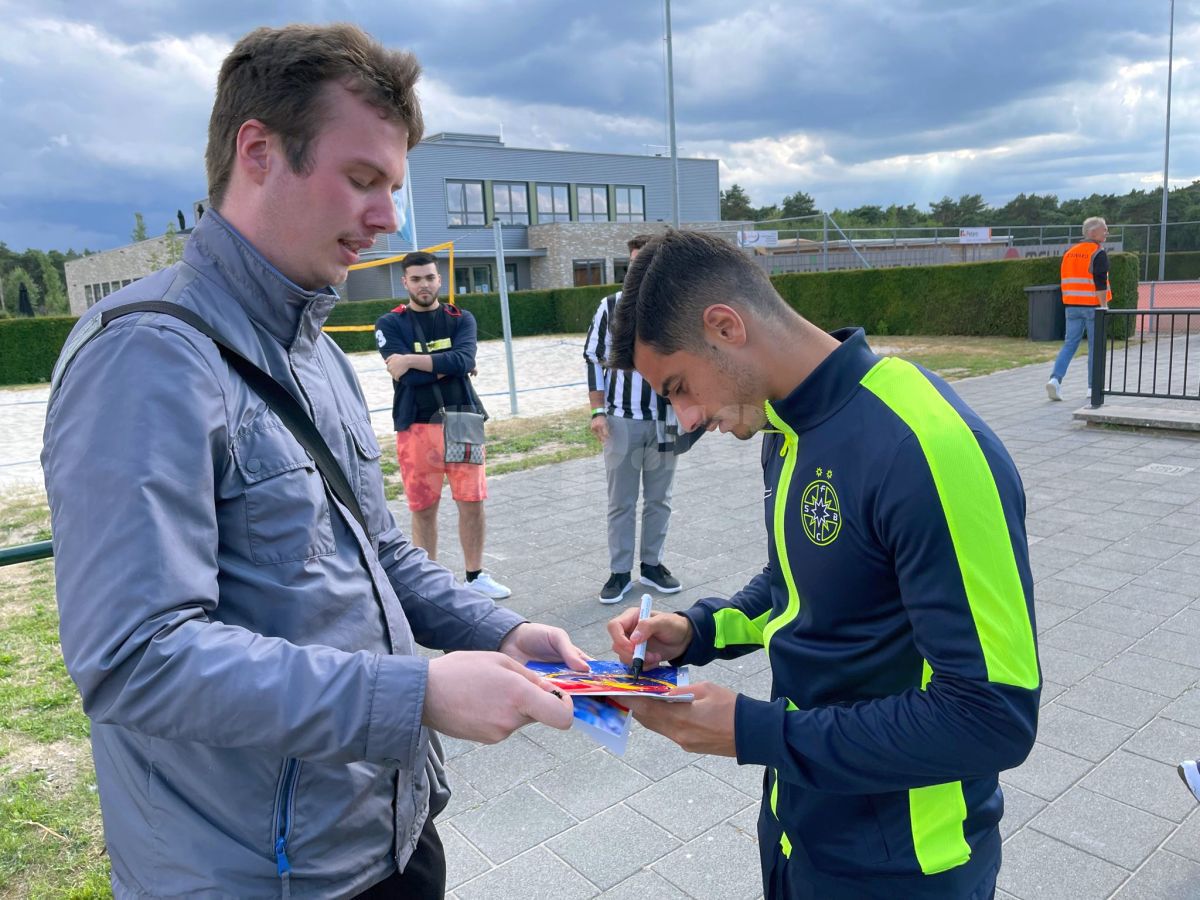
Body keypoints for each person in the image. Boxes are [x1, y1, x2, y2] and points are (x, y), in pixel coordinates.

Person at [41, 24, 584, 899]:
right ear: (257, 151)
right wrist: (416, 695)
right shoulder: (144, 358)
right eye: (363, 179)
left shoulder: (318, 353)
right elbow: (134, 657)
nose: (389, 218)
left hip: (387, 835)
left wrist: (501, 632)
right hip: (261, 873)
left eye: (393, 186)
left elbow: (379, 554)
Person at [605, 230, 1040, 899]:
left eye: (679, 386)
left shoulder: (930, 446)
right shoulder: (785, 429)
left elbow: (992, 718)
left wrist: (754, 731)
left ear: (726, 326)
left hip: (906, 870)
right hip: (799, 833)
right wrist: (698, 631)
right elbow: (798, 590)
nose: (685, 419)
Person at [375, 251, 510, 600]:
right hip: (415, 424)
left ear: (440, 280)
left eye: (430, 277)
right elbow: (407, 379)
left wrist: (412, 361)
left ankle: (475, 576)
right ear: (405, 282)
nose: (424, 284)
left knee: (472, 502)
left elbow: (463, 358)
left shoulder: (460, 317)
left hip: (462, 417)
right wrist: (448, 366)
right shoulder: (390, 323)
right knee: (423, 508)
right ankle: (429, 583)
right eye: (416, 279)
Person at [583, 234, 682, 603]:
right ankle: (620, 572)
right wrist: (597, 411)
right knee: (621, 500)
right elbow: (593, 358)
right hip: (622, 419)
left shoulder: (676, 307)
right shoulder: (611, 307)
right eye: (637, 262)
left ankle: (653, 565)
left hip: (666, 418)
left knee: (661, 498)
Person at [1047, 216, 1111, 401]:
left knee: (1069, 345)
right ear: (1092, 232)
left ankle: (1055, 380)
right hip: (1092, 307)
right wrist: (1104, 306)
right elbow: (1099, 282)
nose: (1107, 232)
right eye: (1104, 229)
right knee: (1095, 347)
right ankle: (1093, 387)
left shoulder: (1070, 252)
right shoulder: (1097, 252)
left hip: (1071, 306)